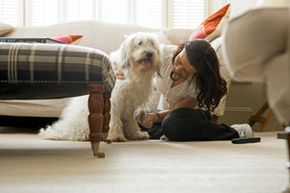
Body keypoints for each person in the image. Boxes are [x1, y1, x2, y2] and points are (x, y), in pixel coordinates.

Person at [114, 39, 253, 141]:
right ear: (180, 51)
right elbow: (133, 55)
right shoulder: (164, 53)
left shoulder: (197, 84)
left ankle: (234, 130)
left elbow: (178, 110)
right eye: (179, 61)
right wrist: (121, 68)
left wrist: (156, 117)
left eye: (186, 71)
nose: (177, 68)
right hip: (165, 116)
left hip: (187, 115)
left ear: (196, 73)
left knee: (172, 124)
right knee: (139, 121)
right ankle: (167, 132)